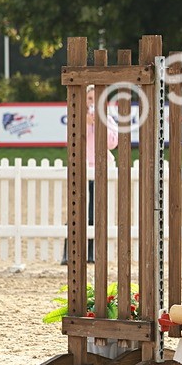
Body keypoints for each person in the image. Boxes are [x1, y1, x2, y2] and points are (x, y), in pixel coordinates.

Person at [62, 85, 119, 264]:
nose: (92, 102)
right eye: (89, 98)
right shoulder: (77, 119)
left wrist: (100, 124)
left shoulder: (108, 119)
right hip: (81, 167)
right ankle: (69, 253)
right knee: (76, 209)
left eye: (96, 98)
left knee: (96, 211)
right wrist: (86, 124)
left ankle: (92, 252)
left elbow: (112, 143)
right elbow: (73, 141)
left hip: (101, 168)